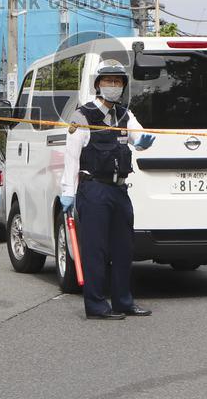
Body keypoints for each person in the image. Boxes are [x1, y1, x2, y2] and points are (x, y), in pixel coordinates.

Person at [60, 61, 156, 320]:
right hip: (94, 189)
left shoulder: (125, 115)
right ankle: (96, 305)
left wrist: (144, 142)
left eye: (117, 82)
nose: (113, 86)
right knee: (95, 250)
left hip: (119, 190)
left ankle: (123, 301)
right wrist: (68, 191)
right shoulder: (83, 116)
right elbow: (72, 157)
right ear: (98, 85)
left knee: (124, 248)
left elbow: (138, 137)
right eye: (108, 81)